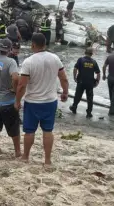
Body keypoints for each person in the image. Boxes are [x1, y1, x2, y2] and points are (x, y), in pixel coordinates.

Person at [16, 33, 69, 165]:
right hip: (50, 101)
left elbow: (22, 85)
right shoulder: (55, 59)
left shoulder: (29, 62)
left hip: (32, 101)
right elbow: (64, 78)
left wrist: (17, 101)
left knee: (29, 131)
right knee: (48, 131)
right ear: (45, 44)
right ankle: (47, 160)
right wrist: (65, 93)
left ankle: (26, 156)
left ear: (33, 44)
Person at [69, 48, 100, 118]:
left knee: (78, 95)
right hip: (90, 83)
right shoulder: (94, 62)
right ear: (92, 54)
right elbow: (98, 73)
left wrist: (74, 77)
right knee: (90, 98)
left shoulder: (80, 60)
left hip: (81, 81)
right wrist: (97, 81)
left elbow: (75, 69)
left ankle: (74, 107)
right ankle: (89, 113)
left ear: (85, 52)